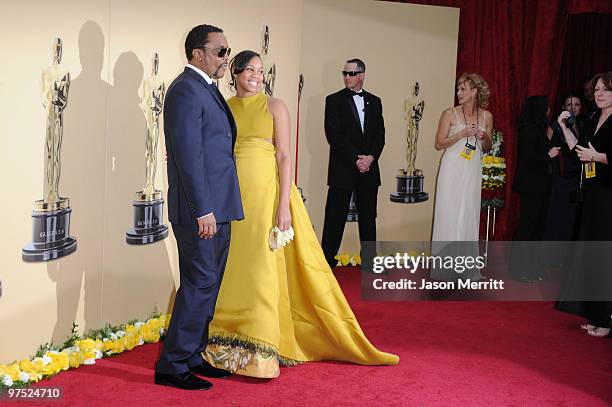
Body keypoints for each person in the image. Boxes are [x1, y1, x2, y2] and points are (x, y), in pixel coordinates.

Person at [204, 50, 398, 378]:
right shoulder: (225, 106)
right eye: (249, 69)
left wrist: (283, 207)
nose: (256, 74)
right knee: (235, 265)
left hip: (267, 195)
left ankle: (261, 347)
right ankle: (226, 337)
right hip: (232, 196)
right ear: (234, 73)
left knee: (262, 265)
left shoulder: (275, 106)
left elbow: (283, 156)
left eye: (261, 70)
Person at [155, 24, 244, 390]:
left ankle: (192, 354)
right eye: (221, 51)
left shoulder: (206, 88)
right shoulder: (185, 90)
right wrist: (203, 210)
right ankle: (172, 365)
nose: (227, 58)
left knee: (210, 282)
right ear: (198, 54)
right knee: (199, 282)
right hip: (201, 211)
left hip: (219, 206)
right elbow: (190, 157)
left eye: (227, 51)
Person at [555, 71, 612, 338]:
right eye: (597, 89)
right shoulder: (592, 118)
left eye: (606, 90)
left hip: (608, 196)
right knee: (591, 254)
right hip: (592, 194)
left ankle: (605, 319)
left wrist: (598, 157)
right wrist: (565, 129)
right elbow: (578, 152)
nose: (599, 94)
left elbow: (595, 155)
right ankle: (595, 314)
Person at [321, 58, 385, 271]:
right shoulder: (334, 100)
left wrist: (371, 158)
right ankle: (327, 262)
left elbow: (380, 135)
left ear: (362, 75)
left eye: (351, 73)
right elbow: (334, 135)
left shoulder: (375, 101)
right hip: (343, 168)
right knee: (335, 218)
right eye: (344, 73)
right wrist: (357, 159)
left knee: (368, 218)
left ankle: (370, 261)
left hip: (369, 168)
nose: (347, 77)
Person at [430, 73, 492, 281]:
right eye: (458, 89)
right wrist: (460, 134)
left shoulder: (487, 116)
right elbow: (439, 143)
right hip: (452, 168)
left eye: (463, 89)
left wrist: (484, 137)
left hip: (473, 168)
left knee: (469, 212)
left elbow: (488, 146)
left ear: (474, 92)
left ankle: (468, 268)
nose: (459, 93)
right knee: (448, 212)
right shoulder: (449, 113)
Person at [510, 96, 555, 281]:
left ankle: (528, 267)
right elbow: (529, 158)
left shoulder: (537, 129)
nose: (549, 111)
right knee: (528, 227)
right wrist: (548, 155)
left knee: (534, 227)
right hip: (531, 186)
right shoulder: (529, 129)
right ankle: (520, 269)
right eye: (546, 108)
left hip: (538, 185)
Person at [542, 94, 584, 242]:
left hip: (578, 175)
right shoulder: (555, 125)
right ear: (563, 108)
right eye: (569, 105)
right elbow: (544, 146)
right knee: (557, 210)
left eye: (577, 105)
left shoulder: (585, 125)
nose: (572, 108)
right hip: (560, 174)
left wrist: (573, 127)